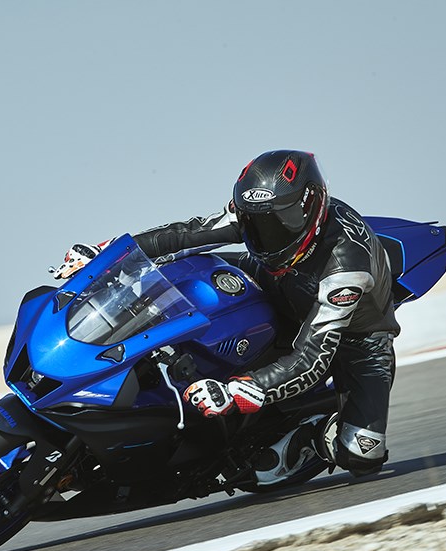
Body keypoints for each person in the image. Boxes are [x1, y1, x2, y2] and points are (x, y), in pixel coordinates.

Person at [52, 150, 398, 478]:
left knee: (361, 454)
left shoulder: (346, 270)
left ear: (312, 207)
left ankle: (314, 436)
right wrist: (107, 254)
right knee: (176, 273)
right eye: (257, 224)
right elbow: (184, 235)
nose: (267, 234)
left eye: (281, 223)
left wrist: (240, 391)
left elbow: (311, 358)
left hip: (354, 338)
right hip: (271, 280)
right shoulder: (256, 216)